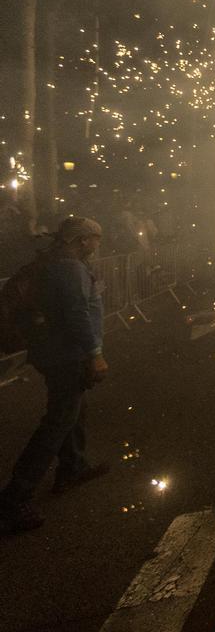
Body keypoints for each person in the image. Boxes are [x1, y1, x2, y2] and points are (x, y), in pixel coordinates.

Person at [0, 217, 109, 535]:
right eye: (95, 238)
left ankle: (72, 467)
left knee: (75, 408)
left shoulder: (56, 262)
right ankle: (14, 498)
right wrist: (95, 353)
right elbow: (77, 313)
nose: (98, 244)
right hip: (66, 354)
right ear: (83, 240)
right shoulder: (69, 267)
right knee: (59, 419)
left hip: (54, 351)